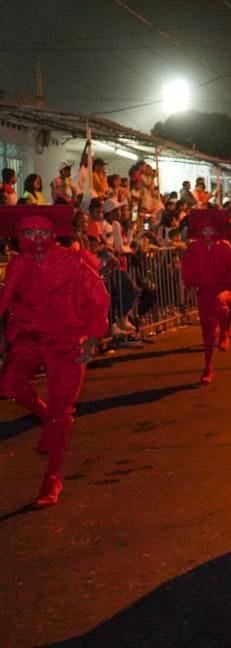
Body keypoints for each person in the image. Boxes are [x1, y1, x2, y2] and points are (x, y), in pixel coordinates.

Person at [0, 207, 110, 507]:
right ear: (20, 235)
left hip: (66, 341)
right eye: (29, 232)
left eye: (42, 232)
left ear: (52, 234)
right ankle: (47, 418)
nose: (36, 238)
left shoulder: (72, 262)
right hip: (30, 338)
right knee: (10, 385)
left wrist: (94, 338)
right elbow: (6, 301)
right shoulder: (17, 265)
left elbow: (98, 297)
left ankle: (52, 477)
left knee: (62, 410)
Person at [180, 209, 231, 384]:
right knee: (207, 331)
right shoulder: (194, 249)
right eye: (204, 230)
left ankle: (224, 331)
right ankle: (208, 367)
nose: (208, 233)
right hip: (204, 291)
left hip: (224, 289)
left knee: (221, 305)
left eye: (211, 229)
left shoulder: (225, 247)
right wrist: (190, 285)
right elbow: (187, 268)